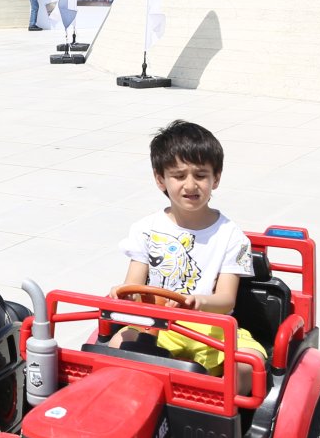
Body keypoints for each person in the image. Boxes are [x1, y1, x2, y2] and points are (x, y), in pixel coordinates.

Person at [107, 120, 269, 374]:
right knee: (114, 348)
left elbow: (226, 300)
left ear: (216, 179)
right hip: (155, 324)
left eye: (201, 175)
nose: (191, 185)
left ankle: (219, 411)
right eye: (179, 176)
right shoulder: (144, 229)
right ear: (160, 179)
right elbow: (135, 286)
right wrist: (124, 294)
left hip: (211, 326)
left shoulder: (231, 236)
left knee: (247, 366)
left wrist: (198, 302)